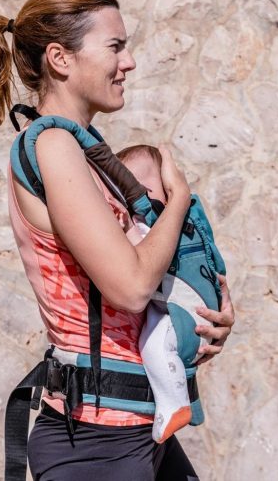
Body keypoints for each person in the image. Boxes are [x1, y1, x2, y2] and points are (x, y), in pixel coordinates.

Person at [0, 0, 234, 480]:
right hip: (95, 444)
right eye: (115, 46)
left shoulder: (88, 151)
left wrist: (197, 319)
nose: (129, 61)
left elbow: (139, 292)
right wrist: (178, 200)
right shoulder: (51, 144)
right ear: (60, 59)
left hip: (132, 432)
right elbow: (130, 286)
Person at [117, 144, 194, 444]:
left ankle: (175, 405)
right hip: (174, 310)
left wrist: (126, 231)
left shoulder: (163, 228)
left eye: (146, 192)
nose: (138, 201)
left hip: (180, 312)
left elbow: (145, 258)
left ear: (167, 193)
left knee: (155, 346)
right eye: (128, 194)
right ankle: (184, 402)